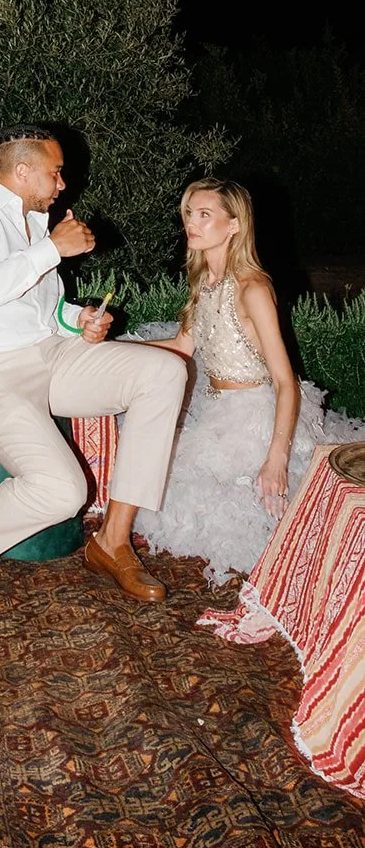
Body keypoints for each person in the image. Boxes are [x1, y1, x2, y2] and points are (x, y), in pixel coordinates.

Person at [0, 125, 187, 608]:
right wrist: (52, 249)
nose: (62, 183)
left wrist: (80, 319)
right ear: (22, 172)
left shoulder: (33, 222)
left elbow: (42, 310)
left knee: (164, 373)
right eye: (55, 173)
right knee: (64, 490)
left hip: (49, 356)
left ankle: (112, 539)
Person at [133, 178, 365, 586]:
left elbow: (286, 381)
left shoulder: (253, 288)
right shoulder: (204, 280)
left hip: (258, 416)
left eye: (205, 215)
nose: (192, 223)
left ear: (235, 225)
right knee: (159, 488)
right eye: (189, 213)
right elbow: (183, 346)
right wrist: (118, 349)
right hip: (216, 412)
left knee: (238, 524)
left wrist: (276, 459)